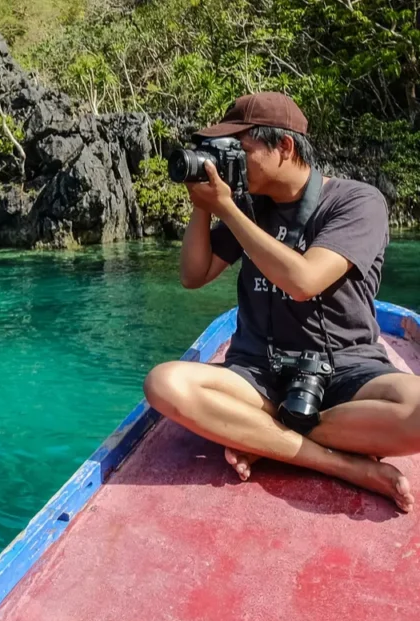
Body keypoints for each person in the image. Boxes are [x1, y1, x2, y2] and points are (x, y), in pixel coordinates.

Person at [143, 91, 420, 513]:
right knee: (165, 383)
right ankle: (342, 464)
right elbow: (193, 275)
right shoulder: (248, 205)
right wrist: (203, 206)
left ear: (284, 147)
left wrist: (228, 210)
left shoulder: (356, 202)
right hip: (258, 372)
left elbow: (304, 281)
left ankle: (264, 435)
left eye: (241, 149)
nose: (230, 160)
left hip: (344, 367)